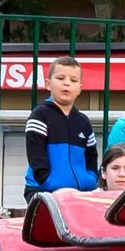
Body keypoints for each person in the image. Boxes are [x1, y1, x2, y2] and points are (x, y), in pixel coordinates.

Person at [23, 60, 100, 196]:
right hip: (43, 191)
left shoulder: (83, 122)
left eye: (73, 80)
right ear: (48, 84)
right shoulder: (40, 115)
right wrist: (47, 181)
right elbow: (35, 154)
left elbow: (91, 156)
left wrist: (90, 180)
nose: (66, 83)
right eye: (60, 78)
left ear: (80, 89)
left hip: (79, 193)